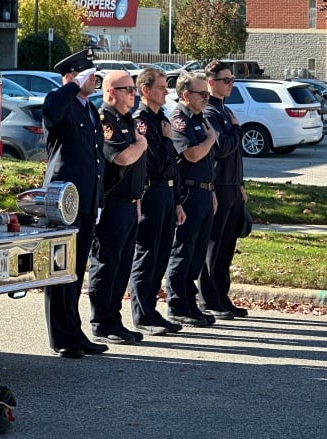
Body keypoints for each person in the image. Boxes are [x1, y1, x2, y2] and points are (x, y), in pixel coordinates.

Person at [41, 49, 108, 359]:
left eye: (91, 74)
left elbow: (96, 160)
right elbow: (51, 112)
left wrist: (98, 201)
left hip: (84, 201)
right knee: (61, 270)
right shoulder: (62, 101)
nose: (92, 79)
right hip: (63, 201)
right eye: (85, 75)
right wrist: (70, 86)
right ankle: (61, 337)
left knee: (76, 270)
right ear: (70, 76)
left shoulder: (89, 109)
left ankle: (75, 331)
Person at [88, 71, 148, 345]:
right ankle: (102, 322)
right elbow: (122, 158)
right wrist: (141, 144)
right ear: (111, 92)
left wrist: (137, 200)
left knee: (123, 265)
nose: (133, 94)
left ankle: (115, 319)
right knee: (107, 264)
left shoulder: (127, 120)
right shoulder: (105, 120)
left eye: (134, 89)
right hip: (110, 205)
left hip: (128, 204)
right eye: (128, 89)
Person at [129, 67, 186, 336]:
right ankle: (142, 315)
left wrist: (177, 202)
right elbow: (154, 161)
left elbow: (173, 166)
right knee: (147, 256)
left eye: (166, 87)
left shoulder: (161, 118)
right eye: (161, 87)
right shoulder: (142, 121)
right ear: (145, 90)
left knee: (162, 255)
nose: (166, 92)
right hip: (150, 195)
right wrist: (166, 139)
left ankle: (152, 311)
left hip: (166, 194)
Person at [164, 72, 217, 327]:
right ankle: (177, 305)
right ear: (186, 95)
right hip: (188, 193)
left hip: (204, 192)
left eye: (208, 94)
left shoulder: (199, 119)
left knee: (197, 254)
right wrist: (210, 139)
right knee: (183, 251)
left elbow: (207, 161)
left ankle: (189, 302)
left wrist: (212, 191)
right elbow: (193, 155)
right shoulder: (179, 120)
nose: (207, 98)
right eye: (202, 94)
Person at [198, 60, 249, 319]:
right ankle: (208, 299)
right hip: (217, 187)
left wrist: (240, 185)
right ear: (211, 82)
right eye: (226, 80)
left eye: (232, 80)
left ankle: (221, 295)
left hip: (231, 186)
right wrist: (238, 129)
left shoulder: (224, 110)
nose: (231, 84)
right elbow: (220, 148)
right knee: (213, 246)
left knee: (227, 246)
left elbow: (233, 153)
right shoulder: (210, 112)